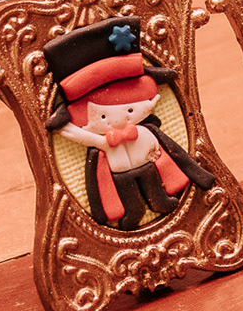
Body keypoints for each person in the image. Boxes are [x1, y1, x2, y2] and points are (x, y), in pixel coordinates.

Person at [43, 16, 217, 232]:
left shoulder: (145, 131)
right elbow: (84, 137)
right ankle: (133, 215)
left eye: (130, 110)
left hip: (148, 165)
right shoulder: (102, 142)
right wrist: (68, 129)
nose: (117, 120)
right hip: (120, 173)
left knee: (155, 188)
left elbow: (179, 154)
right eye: (103, 116)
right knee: (129, 198)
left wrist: (199, 175)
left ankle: (160, 201)